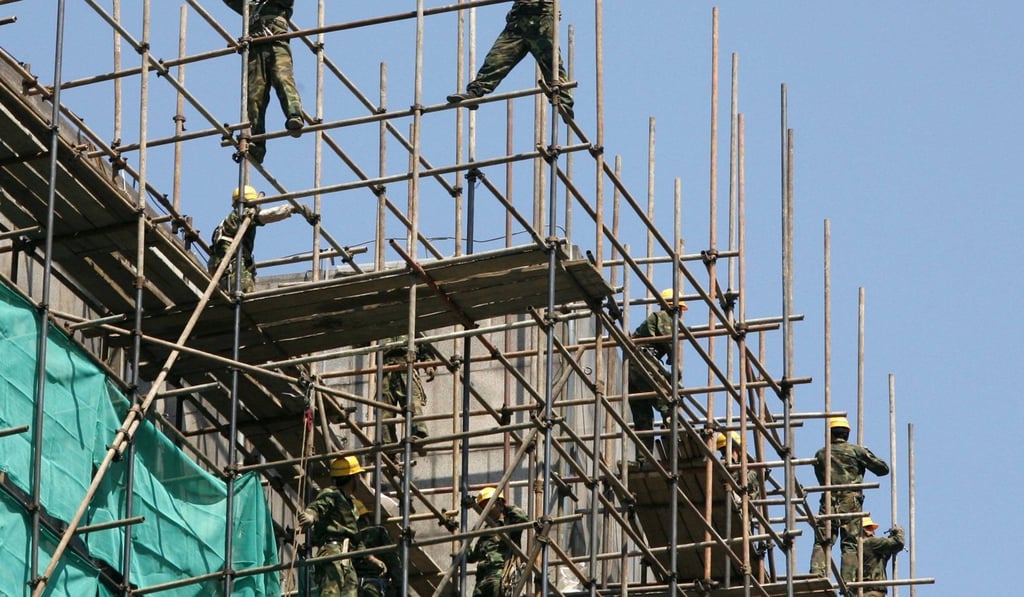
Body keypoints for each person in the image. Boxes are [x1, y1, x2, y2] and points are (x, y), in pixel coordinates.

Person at [446, 0, 574, 118]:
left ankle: (563, 100)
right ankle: (475, 92)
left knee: (551, 63)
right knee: (495, 60)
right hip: (518, 20)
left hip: (541, 18)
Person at [809, 416, 890, 582]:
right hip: (851, 501)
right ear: (847, 434)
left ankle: (817, 573)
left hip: (829, 499)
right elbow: (883, 469)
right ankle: (848, 581)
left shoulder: (821, 453)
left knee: (823, 539)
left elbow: (820, 479)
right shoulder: (856, 451)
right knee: (850, 544)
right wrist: (867, 453)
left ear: (830, 433)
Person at [223, 0, 304, 163]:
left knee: (282, 78)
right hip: (255, 44)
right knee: (254, 97)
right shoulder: (251, 4)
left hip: (276, 39)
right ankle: (257, 143)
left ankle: (294, 115)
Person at [207, 185, 311, 293]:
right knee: (243, 294)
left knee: (229, 295)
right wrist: (291, 209)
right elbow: (266, 215)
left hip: (218, 268)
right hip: (234, 265)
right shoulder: (241, 215)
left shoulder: (225, 222)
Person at [626, 288, 686, 463]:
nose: (681, 313)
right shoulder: (665, 316)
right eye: (680, 309)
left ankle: (642, 458)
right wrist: (676, 370)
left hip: (632, 367)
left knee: (643, 417)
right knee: (668, 400)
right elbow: (668, 341)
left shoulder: (657, 318)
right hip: (643, 362)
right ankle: (677, 438)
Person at [297, 456, 366, 597]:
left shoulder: (350, 503)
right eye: (358, 476)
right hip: (332, 551)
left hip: (346, 555)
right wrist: (310, 515)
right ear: (353, 478)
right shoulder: (332, 494)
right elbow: (319, 505)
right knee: (331, 593)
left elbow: (355, 535)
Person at [468, 487, 529, 597]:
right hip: (482, 579)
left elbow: (523, 517)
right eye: (482, 507)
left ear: (499, 504)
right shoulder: (486, 532)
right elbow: (472, 557)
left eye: (487, 505)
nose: (484, 510)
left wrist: (504, 507)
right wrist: (456, 534)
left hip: (498, 575)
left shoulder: (509, 524)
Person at [379, 336, 439, 447]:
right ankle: (387, 443)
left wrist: (429, 364)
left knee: (412, 403)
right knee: (384, 410)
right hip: (386, 371)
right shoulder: (382, 326)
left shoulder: (413, 326)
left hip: (407, 367)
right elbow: (363, 342)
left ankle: (418, 433)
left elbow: (425, 347)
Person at [352, 499, 400, 597]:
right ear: (366, 519)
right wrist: (399, 587)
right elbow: (393, 561)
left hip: (351, 587)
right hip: (373, 585)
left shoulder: (345, 538)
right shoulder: (378, 532)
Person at [859, 516, 905, 597]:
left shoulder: (856, 547)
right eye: (870, 528)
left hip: (864, 592)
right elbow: (898, 543)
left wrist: (891, 538)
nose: (873, 532)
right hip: (872, 592)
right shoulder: (871, 542)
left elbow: (885, 554)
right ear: (864, 530)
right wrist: (899, 532)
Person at [715, 431, 758, 500]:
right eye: (723, 452)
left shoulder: (744, 466)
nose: (726, 455)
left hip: (739, 500)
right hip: (730, 496)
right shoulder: (722, 464)